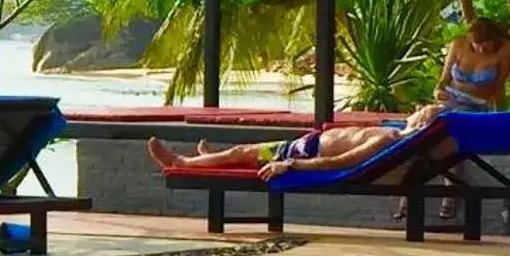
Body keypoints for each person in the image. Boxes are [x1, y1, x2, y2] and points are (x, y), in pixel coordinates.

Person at [147, 103, 445, 181]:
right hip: (308, 144)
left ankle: (182, 162)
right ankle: (209, 158)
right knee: (245, 153)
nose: (414, 110)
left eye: (420, 110)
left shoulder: (392, 138)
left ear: (422, 120)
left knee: (243, 151)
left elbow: (343, 161)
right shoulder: (394, 133)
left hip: (301, 151)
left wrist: (291, 164)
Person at [438, 18, 510, 112]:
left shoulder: (505, 50)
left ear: (495, 41)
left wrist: (497, 113)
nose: (481, 51)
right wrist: (437, 91)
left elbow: (498, 88)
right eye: (477, 47)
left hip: (478, 105)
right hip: (451, 98)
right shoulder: (458, 44)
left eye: (486, 47)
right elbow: (444, 78)